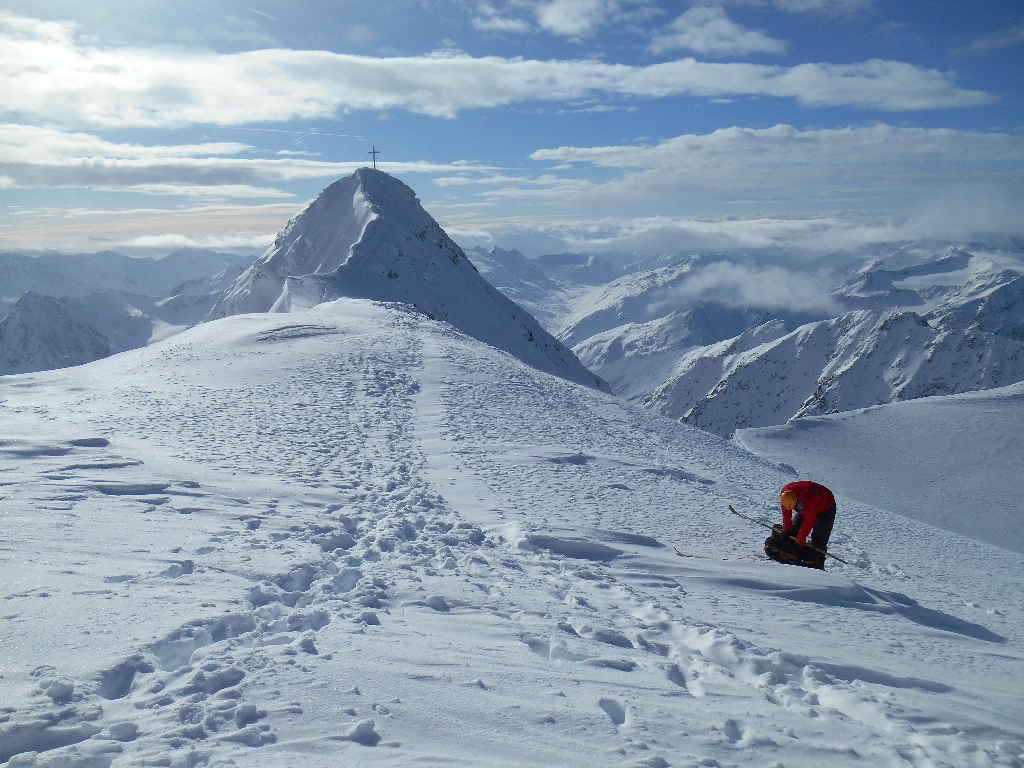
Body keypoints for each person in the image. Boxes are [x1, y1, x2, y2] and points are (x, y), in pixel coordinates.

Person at [764, 480, 836, 569]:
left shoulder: (810, 501)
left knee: (818, 541)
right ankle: (791, 552)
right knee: (793, 531)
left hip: (826, 508)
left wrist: (801, 540)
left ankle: (818, 566)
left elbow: (808, 522)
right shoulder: (786, 496)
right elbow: (786, 511)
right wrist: (786, 529)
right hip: (805, 504)